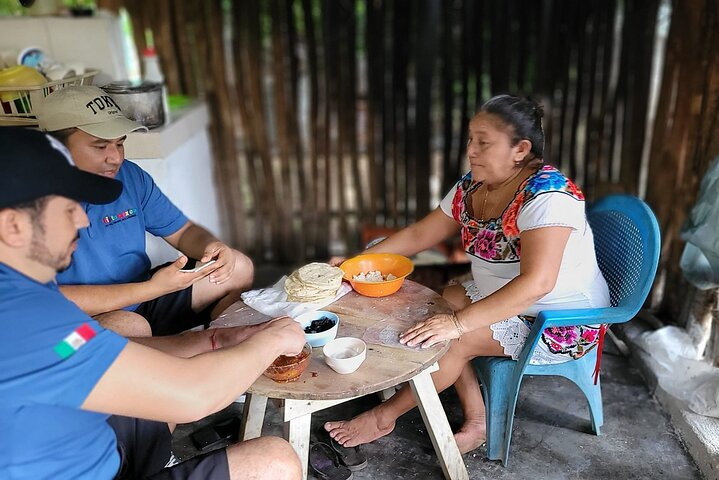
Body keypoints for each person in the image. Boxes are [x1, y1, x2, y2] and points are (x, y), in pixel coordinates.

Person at [0, 127, 305, 479]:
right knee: (275, 462)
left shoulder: (26, 295)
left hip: (91, 449)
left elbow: (83, 345)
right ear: (13, 226)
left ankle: (156, 461)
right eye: (68, 208)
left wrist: (215, 341)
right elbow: (193, 395)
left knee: (129, 331)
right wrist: (274, 339)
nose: (83, 219)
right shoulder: (26, 323)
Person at [324, 94, 611, 454]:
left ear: (520, 149)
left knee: (451, 337)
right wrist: (355, 264)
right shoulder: (472, 187)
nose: (471, 150)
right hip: (508, 295)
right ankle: (477, 421)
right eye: (471, 139)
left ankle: (384, 417)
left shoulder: (548, 197)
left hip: (561, 320)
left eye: (484, 142)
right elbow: (418, 235)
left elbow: (538, 283)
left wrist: (459, 325)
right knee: (445, 301)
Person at [35, 85, 253, 337]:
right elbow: (45, 298)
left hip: (146, 296)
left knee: (237, 266)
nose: (115, 157)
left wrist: (212, 247)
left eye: (119, 144)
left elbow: (183, 232)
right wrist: (153, 289)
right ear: (54, 146)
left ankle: (223, 343)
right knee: (129, 326)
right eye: (100, 146)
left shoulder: (129, 175)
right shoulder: (29, 203)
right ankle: (180, 363)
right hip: (73, 332)